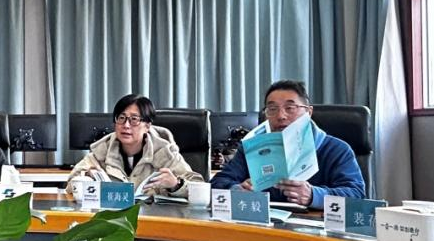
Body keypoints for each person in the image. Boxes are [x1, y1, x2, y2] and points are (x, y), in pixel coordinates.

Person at [210, 79, 365, 209]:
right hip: (262, 225)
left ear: (309, 112)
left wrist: (313, 195)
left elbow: (356, 194)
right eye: (272, 109)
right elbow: (217, 183)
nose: (281, 116)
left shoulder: (336, 149)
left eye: (290, 108)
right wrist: (237, 190)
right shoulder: (252, 148)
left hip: (315, 228)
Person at [66, 94, 204, 196]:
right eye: (121, 118)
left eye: (134, 119)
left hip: (155, 218)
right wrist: (85, 178)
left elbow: (199, 187)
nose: (126, 125)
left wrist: (175, 185)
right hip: (112, 219)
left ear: (147, 126)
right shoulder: (101, 152)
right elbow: (70, 185)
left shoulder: (164, 153)